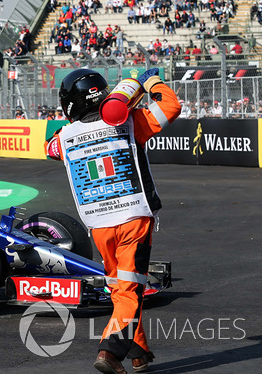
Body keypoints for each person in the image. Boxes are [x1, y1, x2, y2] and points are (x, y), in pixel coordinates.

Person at [45, 68, 181, 374]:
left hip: (100, 225)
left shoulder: (62, 139)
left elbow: (50, 148)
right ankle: (110, 351)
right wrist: (150, 84)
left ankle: (138, 352)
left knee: (123, 289)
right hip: (133, 217)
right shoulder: (131, 122)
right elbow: (171, 107)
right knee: (130, 289)